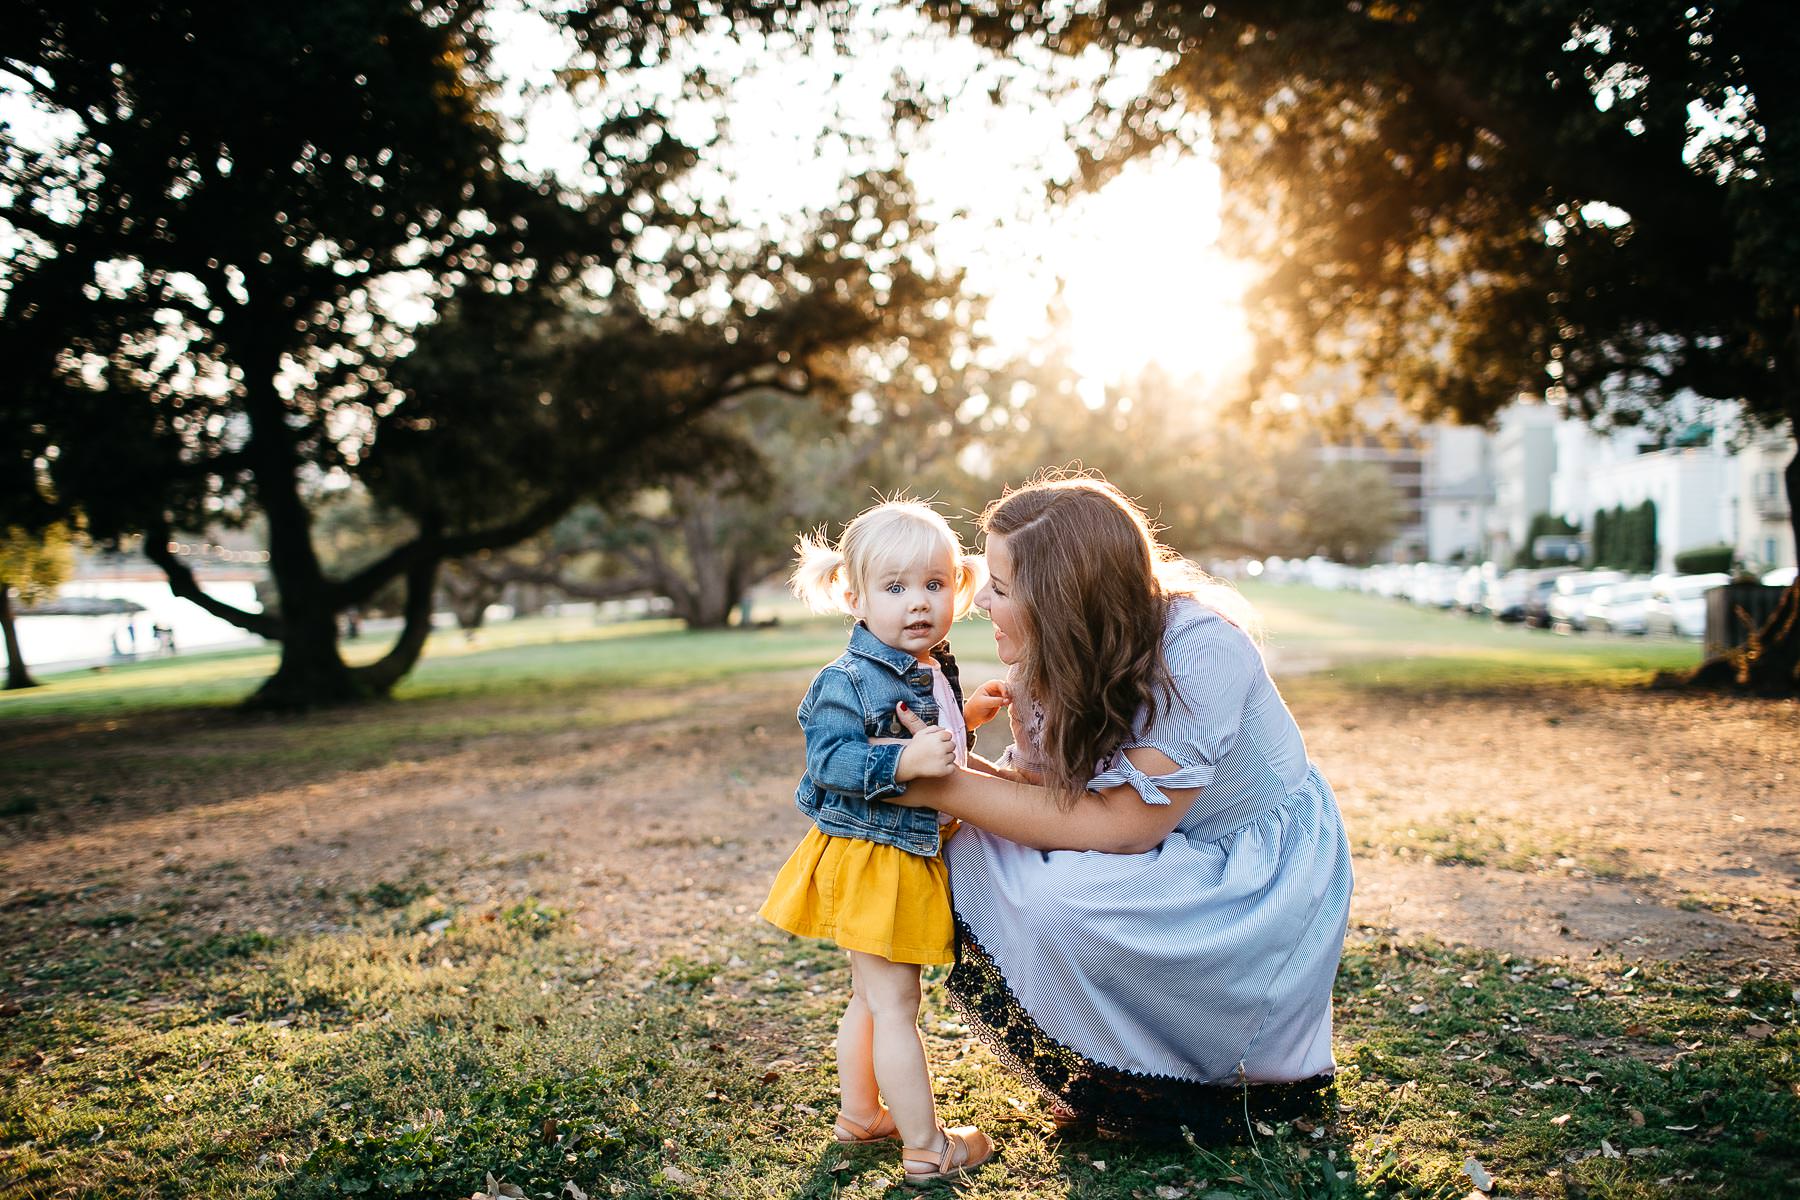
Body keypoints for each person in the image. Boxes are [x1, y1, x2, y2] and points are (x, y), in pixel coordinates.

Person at [884, 473, 1354, 1140]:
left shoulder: (1202, 649)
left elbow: (1126, 826)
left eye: (1002, 585)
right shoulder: (1051, 658)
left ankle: (1180, 1082)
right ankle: (1115, 1074)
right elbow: (1053, 799)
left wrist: (944, 785)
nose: (979, 599)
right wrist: (944, 771)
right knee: (968, 839)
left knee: (1059, 900)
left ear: (1063, 599)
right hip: (1160, 842)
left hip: (1250, 871)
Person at [758, 499, 999, 1183]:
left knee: (870, 998)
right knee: (897, 1006)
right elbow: (830, 764)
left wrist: (967, 720)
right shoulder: (848, 678)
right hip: (877, 859)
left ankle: (862, 1116)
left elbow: (932, 748)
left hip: (897, 853)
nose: (918, 603)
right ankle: (928, 1148)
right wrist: (901, 763)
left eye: (934, 584)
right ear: (854, 595)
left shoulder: (927, 663)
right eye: (895, 588)